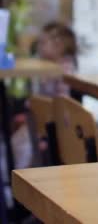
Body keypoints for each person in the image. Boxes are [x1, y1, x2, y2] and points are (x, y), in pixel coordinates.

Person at [11, 21, 78, 168]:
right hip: (41, 116)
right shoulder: (47, 65)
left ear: (59, 45)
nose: (39, 47)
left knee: (20, 145)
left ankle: (18, 180)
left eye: (42, 43)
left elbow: (62, 102)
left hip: (54, 121)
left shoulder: (64, 68)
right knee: (17, 141)